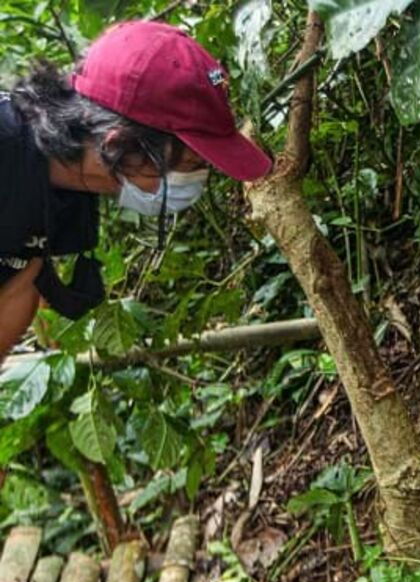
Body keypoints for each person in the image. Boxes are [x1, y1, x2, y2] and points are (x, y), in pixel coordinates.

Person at [0, 20, 272, 362]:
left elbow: (16, 289)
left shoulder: (63, 191)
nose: (195, 180)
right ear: (118, 144)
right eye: (190, 164)